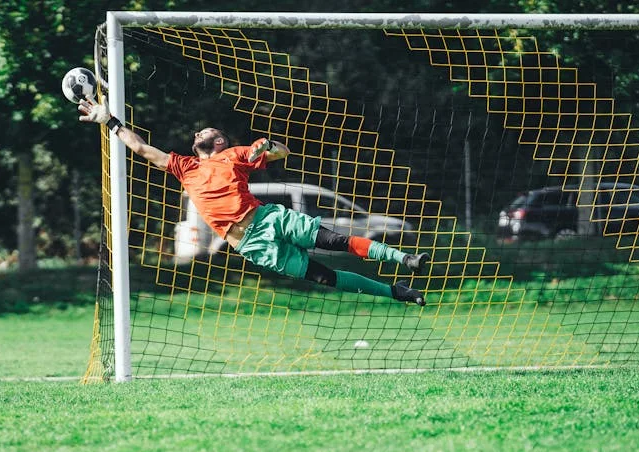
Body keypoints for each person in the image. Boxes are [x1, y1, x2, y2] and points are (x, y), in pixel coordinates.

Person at [78, 99, 430, 306]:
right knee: (325, 277)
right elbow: (141, 148)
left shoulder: (233, 155)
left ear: (219, 142)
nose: (199, 133)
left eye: (207, 131)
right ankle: (395, 291)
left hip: (268, 218)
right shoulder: (185, 167)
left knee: (336, 240)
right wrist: (108, 120)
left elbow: (282, 152)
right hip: (249, 243)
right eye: (199, 132)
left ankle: (406, 259)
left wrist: (268, 146)